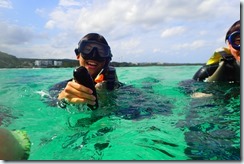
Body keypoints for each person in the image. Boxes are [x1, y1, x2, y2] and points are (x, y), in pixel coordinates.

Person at [49, 33, 121, 108]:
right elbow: (49, 106)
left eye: (101, 52)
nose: (94, 55)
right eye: (87, 50)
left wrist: (110, 98)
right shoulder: (59, 88)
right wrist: (62, 100)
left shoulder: (121, 89)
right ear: (78, 55)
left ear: (106, 60)